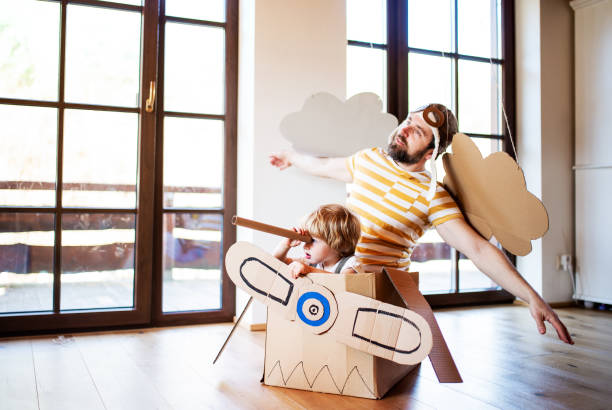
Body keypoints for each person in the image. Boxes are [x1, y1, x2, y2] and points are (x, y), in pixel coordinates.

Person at [269, 103, 574, 345]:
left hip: (377, 294)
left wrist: (531, 296)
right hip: (335, 280)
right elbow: (322, 165)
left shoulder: (432, 195)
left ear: (430, 152)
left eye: (418, 130)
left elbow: (478, 249)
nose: (405, 129)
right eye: (407, 121)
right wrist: (291, 157)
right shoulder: (369, 160)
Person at [273, 204, 362, 278]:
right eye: (306, 240)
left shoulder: (350, 264)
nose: (305, 246)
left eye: (313, 240)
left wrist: (309, 270)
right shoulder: (312, 262)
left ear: (339, 245)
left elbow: (344, 283)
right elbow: (276, 263)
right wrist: (285, 245)